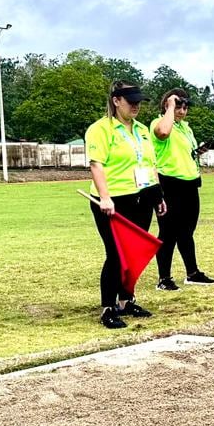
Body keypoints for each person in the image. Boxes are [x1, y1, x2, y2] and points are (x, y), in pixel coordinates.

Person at [85, 81, 166, 328]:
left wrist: (158, 195)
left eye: (139, 101)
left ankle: (126, 300)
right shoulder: (101, 129)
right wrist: (105, 197)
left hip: (141, 197)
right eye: (131, 101)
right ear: (116, 100)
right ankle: (108, 307)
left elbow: (150, 165)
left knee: (133, 254)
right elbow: (96, 164)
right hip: (113, 201)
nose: (136, 106)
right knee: (116, 254)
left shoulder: (141, 130)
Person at [150, 88, 214, 291]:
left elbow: (184, 153)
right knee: (167, 232)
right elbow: (163, 133)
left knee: (187, 232)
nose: (182, 111)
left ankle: (192, 273)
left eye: (185, 107)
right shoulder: (158, 123)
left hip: (190, 183)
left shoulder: (186, 128)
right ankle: (164, 278)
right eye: (178, 106)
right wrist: (170, 106)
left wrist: (197, 152)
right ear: (167, 105)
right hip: (169, 183)